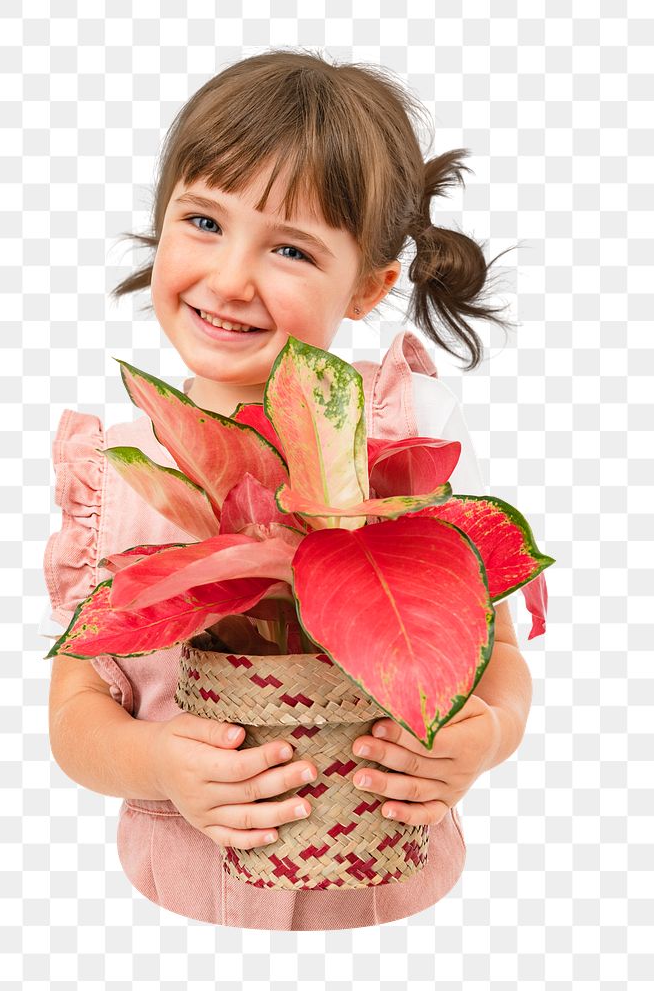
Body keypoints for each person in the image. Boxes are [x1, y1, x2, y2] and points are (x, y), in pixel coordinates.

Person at [41, 48, 539, 930]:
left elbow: (493, 656)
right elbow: (77, 711)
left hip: (398, 911)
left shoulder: (395, 455)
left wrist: (483, 740)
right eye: (202, 222)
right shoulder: (118, 475)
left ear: (370, 287)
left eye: (290, 248)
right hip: (179, 915)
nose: (230, 279)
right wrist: (156, 762)